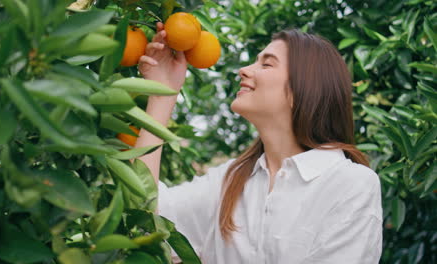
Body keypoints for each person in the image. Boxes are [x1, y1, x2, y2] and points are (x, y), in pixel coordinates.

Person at [134, 22, 383, 264]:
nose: (245, 69)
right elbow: (144, 219)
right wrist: (161, 94)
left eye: (266, 64)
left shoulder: (350, 184)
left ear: (302, 89)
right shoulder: (230, 181)